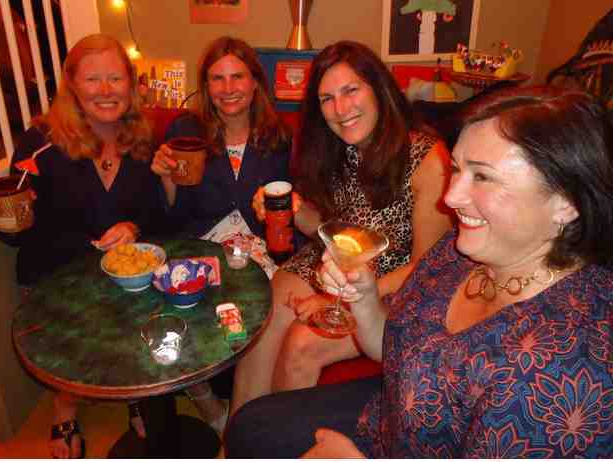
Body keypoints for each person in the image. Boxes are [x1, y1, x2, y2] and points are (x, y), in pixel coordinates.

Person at [225, 85, 613, 458]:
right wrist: (365, 298)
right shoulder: (459, 251)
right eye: (457, 169)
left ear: (566, 202)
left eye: (482, 176)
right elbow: (394, 348)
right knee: (249, 425)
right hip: (388, 417)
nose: (450, 197)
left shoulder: (563, 373)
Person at [230, 40, 452, 414]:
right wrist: (293, 209)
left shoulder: (427, 158)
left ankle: (278, 438)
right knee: (266, 313)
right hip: (340, 263)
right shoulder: (338, 147)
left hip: (395, 285)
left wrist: (344, 297)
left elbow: (425, 266)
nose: (341, 109)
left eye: (351, 90)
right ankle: (240, 434)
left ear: (378, 88)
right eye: (327, 99)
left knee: (301, 343)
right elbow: (334, 230)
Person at [0, 34, 165, 458]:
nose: (105, 89)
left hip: (122, 278)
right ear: (72, 85)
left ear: (131, 83)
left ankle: (133, 392)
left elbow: (156, 211)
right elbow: (17, 230)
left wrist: (134, 225)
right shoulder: (39, 141)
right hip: (56, 275)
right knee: (76, 337)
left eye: (115, 78)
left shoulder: (144, 137)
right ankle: (65, 405)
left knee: (145, 301)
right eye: (92, 79)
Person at [151, 35, 293, 434]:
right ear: (206, 85)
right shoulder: (185, 130)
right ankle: (209, 406)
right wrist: (166, 179)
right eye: (217, 78)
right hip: (200, 246)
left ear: (255, 82)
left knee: (268, 311)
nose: (228, 88)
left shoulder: (278, 136)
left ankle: (255, 409)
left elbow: (288, 206)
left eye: (237, 77)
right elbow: (172, 215)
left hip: (257, 251)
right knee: (175, 309)